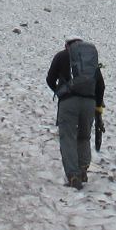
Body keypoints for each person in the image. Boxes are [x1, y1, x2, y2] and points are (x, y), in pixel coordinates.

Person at [45, 37, 105, 189]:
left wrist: (60, 91)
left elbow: (50, 78)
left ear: (67, 45)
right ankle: (83, 168)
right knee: (84, 136)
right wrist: (98, 107)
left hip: (68, 102)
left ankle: (73, 175)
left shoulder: (61, 55)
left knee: (68, 137)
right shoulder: (90, 60)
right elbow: (100, 85)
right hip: (89, 102)